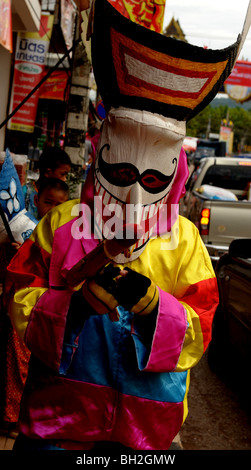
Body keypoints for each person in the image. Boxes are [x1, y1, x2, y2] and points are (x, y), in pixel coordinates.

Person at [4, 0, 245, 451]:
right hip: (58, 432)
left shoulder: (185, 240)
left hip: (146, 439)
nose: (135, 198)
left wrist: (155, 307)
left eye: (152, 179)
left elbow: (201, 326)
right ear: (100, 156)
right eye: (122, 174)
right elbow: (18, 294)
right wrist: (71, 309)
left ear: (176, 172)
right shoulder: (61, 225)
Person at [1, 178, 69, 438]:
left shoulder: (65, 234)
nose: (52, 210)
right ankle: (12, 417)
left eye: (59, 205)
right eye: (48, 202)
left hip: (49, 311)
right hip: (24, 308)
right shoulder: (25, 226)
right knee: (17, 363)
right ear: (36, 200)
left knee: (32, 365)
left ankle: (21, 414)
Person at [23, 147, 71, 220]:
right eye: (63, 174)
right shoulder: (24, 193)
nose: (65, 179)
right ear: (48, 172)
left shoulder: (62, 197)